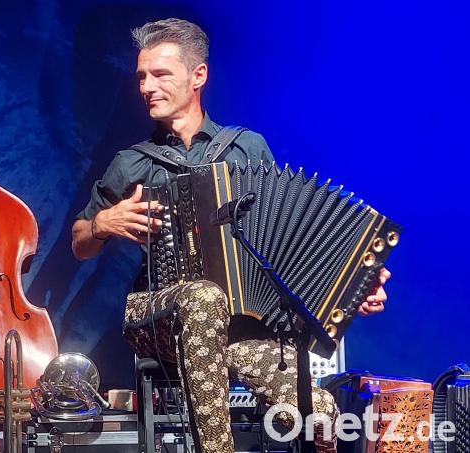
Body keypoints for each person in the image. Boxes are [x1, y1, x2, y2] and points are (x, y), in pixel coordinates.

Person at [71, 19, 390, 452]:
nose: (147, 86)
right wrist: (101, 224)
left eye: (161, 74)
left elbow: (289, 242)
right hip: (155, 314)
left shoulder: (246, 148)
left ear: (198, 76)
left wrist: (353, 291)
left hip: (237, 329)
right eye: (142, 76)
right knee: (203, 297)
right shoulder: (131, 163)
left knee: (319, 410)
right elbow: (78, 244)